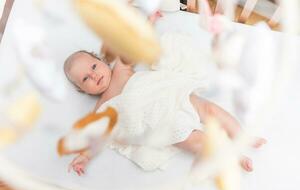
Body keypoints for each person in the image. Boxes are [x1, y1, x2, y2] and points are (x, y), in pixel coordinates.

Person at [63, 13, 266, 176]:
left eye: (93, 66)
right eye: (85, 79)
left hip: (170, 94)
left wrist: (148, 21)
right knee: (196, 142)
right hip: (163, 123)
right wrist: (84, 157)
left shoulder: (119, 70)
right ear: (83, 90)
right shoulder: (101, 109)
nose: (94, 75)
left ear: (102, 61)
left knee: (209, 109)